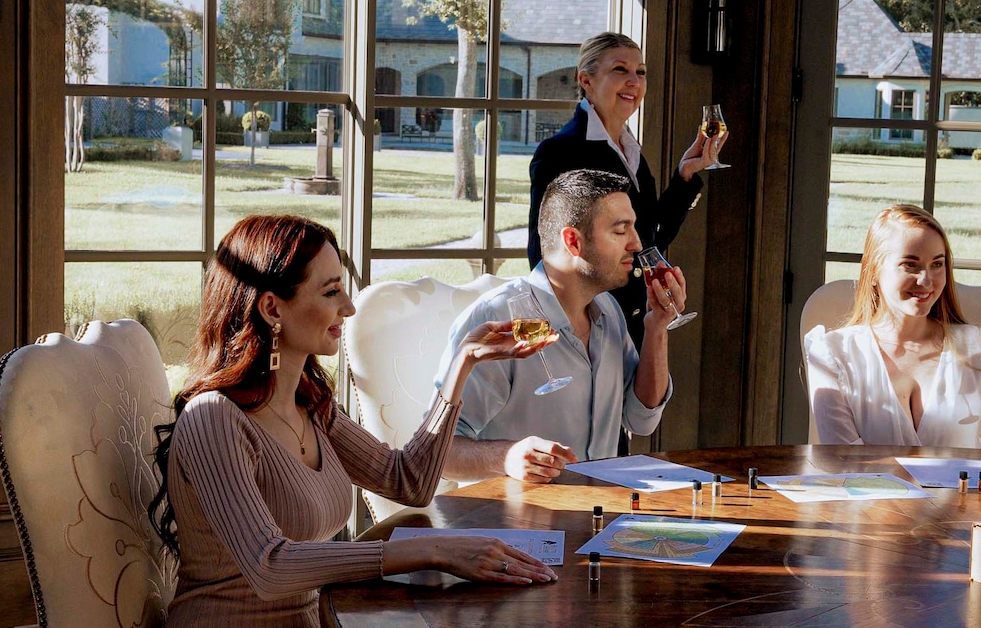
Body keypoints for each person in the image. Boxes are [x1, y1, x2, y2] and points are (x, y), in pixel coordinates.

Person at [147, 215, 558, 627]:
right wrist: (432, 550)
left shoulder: (311, 406)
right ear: (272, 307)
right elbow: (269, 566)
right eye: (331, 292)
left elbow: (408, 482)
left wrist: (462, 364)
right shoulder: (214, 418)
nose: (349, 307)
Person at [437, 169, 684, 483]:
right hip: (516, 513)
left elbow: (641, 419)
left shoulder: (609, 311)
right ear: (573, 241)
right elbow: (438, 455)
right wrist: (507, 457)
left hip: (599, 506)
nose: (636, 243)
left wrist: (657, 327)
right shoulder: (498, 321)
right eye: (621, 230)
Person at [804, 204, 981, 449]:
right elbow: (843, 460)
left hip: (964, 491)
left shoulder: (975, 348)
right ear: (873, 271)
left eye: (937, 264)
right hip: (869, 492)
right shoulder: (832, 354)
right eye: (910, 265)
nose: (926, 280)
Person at [528, 31, 727, 346]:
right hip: (589, 331)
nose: (634, 81)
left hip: (635, 327)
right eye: (620, 69)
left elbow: (648, 238)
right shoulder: (561, 151)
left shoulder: (630, 151)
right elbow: (543, 254)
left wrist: (685, 174)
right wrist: (577, 331)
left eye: (641, 72)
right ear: (586, 80)